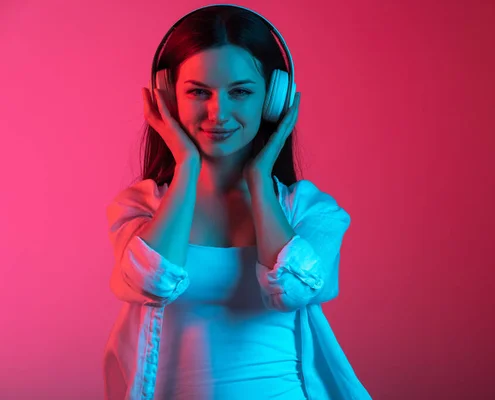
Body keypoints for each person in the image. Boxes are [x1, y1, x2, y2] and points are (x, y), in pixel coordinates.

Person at [102, 5, 371, 400]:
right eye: (198, 92)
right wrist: (187, 166)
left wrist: (260, 181)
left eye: (241, 92)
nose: (219, 113)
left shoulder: (313, 213)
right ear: (167, 97)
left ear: (272, 100)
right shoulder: (140, 209)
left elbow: (293, 291)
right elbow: (150, 282)